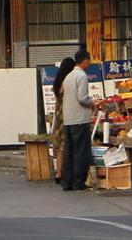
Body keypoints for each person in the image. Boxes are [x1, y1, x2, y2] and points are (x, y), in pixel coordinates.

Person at [60, 50, 94, 192]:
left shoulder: (68, 76)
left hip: (68, 119)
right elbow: (82, 98)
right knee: (81, 152)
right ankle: (79, 182)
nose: (89, 64)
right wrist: (93, 103)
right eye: (89, 61)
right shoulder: (81, 76)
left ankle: (67, 182)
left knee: (69, 152)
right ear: (85, 61)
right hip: (80, 119)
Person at [49, 57, 75, 185]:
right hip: (66, 114)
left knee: (60, 146)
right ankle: (64, 173)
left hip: (59, 114)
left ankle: (59, 173)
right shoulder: (67, 81)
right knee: (65, 145)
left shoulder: (57, 81)